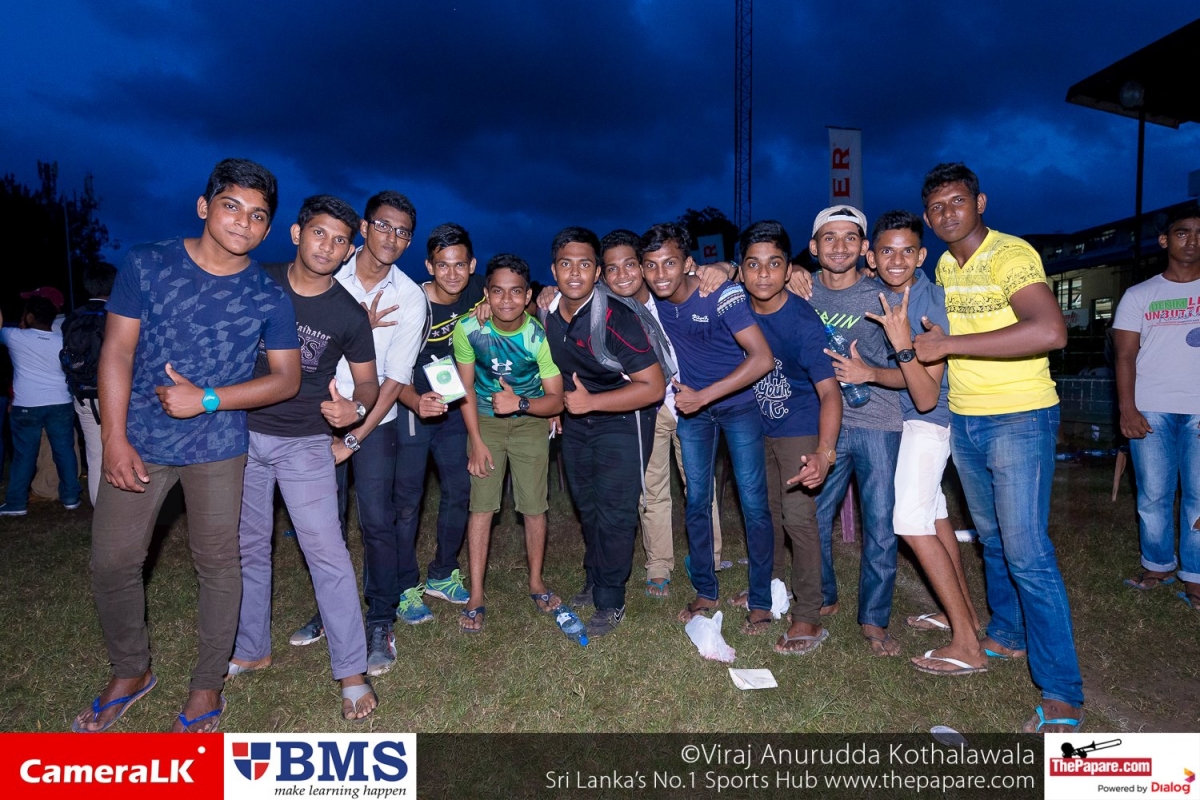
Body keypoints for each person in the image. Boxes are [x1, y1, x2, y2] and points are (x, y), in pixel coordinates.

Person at [72, 158, 301, 733]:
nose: (244, 222)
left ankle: (206, 686)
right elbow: (118, 351)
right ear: (204, 206)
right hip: (140, 439)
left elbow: (286, 379)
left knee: (219, 564)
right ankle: (131, 671)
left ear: (268, 228)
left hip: (218, 446)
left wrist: (208, 399)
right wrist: (114, 437)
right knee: (113, 561)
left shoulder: (268, 295)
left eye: (258, 215)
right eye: (232, 206)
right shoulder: (148, 263)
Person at [914, 162, 1081, 733]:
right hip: (966, 417)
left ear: (980, 202)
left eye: (957, 201)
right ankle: (1007, 634)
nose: (947, 214)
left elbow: (1050, 331)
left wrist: (949, 345)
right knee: (990, 539)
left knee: (1027, 551)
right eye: (937, 207)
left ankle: (1062, 692)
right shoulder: (944, 264)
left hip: (1020, 416)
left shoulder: (1011, 255)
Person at [227, 195, 380, 721]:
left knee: (327, 553)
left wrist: (355, 408)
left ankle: (352, 672)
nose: (328, 247)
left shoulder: (348, 313)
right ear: (296, 233)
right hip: (241, 435)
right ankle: (252, 648)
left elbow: (368, 382)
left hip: (305, 442)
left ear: (349, 250)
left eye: (340, 241)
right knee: (247, 546)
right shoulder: (256, 280)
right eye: (319, 233)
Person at [288, 190, 425, 680]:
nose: (392, 237)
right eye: (383, 225)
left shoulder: (410, 297)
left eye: (403, 231)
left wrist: (353, 438)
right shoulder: (330, 272)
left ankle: (380, 620)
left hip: (375, 423)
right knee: (323, 524)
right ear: (364, 228)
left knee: (377, 522)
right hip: (314, 416)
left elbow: (396, 380)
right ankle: (333, 610)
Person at [863, 210, 985, 675]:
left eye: (907, 251)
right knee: (934, 516)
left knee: (910, 521)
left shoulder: (929, 305)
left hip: (931, 421)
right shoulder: (892, 292)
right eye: (887, 251)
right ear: (872, 257)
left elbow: (927, 394)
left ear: (921, 256)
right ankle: (963, 617)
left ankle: (968, 646)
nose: (897, 260)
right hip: (915, 420)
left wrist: (901, 344)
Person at [642, 222, 775, 635]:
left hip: (738, 407)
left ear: (688, 263)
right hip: (693, 414)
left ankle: (761, 599)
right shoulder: (650, 299)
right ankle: (705, 590)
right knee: (697, 500)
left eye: (669, 263)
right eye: (651, 265)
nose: (660, 274)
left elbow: (762, 358)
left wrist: (705, 395)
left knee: (753, 502)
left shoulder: (720, 293)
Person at [544, 227, 665, 636]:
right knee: (587, 504)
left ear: (597, 272)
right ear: (554, 270)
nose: (574, 273)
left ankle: (611, 599)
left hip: (623, 419)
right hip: (578, 421)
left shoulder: (616, 318)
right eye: (566, 264)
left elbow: (653, 387)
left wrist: (591, 403)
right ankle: (595, 576)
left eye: (584, 264)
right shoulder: (549, 314)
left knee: (615, 510)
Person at [596, 229, 728, 599]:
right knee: (651, 489)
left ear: (643, 266)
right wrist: (547, 294)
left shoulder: (667, 291)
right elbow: (562, 294)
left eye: (631, 265)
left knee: (699, 486)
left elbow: (709, 274)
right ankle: (658, 566)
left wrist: (726, 266)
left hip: (691, 403)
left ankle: (709, 558)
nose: (623, 275)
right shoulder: (606, 306)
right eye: (613, 269)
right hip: (647, 408)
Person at [805, 205, 905, 657]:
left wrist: (870, 373)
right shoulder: (800, 290)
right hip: (821, 424)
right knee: (811, 517)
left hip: (877, 423)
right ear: (814, 247)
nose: (840, 246)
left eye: (850, 237)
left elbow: (912, 373)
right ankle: (825, 593)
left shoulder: (884, 298)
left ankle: (874, 618)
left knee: (880, 524)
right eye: (830, 237)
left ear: (865, 247)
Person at [739, 220, 841, 655]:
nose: (763, 274)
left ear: (788, 269)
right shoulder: (735, 306)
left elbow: (830, 392)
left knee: (798, 518)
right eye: (753, 264)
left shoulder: (802, 321)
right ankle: (767, 588)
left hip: (799, 425)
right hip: (753, 425)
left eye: (774, 264)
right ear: (740, 269)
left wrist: (824, 451)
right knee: (765, 512)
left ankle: (808, 615)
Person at [454, 253, 564, 632]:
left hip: (529, 420)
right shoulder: (469, 329)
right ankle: (476, 594)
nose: (506, 300)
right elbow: (466, 388)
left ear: (528, 295)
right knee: (482, 506)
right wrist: (476, 440)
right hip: (484, 420)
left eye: (516, 292)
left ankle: (536, 582)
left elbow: (556, 400)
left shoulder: (537, 337)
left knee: (534, 507)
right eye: (497, 291)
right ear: (486, 294)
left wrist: (520, 403)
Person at [394, 223, 486, 611]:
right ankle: (402, 585)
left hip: (453, 409)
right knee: (407, 501)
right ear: (429, 266)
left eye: (460, 264)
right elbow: (390, 368)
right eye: (443, 265)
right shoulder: (412, 302)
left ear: (472, 265)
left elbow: (521, 298)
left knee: (459, 490)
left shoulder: (479, 291)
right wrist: (415, 401)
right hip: (412, 408)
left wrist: (543, 295)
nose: (452, 273)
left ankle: (443, 573)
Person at [1113, 203, 1200, 610]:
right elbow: (1125, 356)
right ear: (1165, 240)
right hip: (1151, 410)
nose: (1192, 241)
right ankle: (1158, 565)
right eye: (1182, 232)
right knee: (1154, 494)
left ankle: (1196, 576)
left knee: (1199, 496)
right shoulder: (1140, 295)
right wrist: (1127, 410)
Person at [0, 295, 81, 516]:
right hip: (60, 403)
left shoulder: (15, 336)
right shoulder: (62, 339)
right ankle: (71, 497)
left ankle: (16, 503)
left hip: (27, 405)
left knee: (24, 455)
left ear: (29, 316)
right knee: (64, 451)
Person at [60, 262, 119, 507]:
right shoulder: (118, 315)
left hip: (84, 395)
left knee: (95, 455)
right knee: (122, 451)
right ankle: (122, 511)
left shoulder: (72, 318)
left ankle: (100, 509)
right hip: (116, 396)